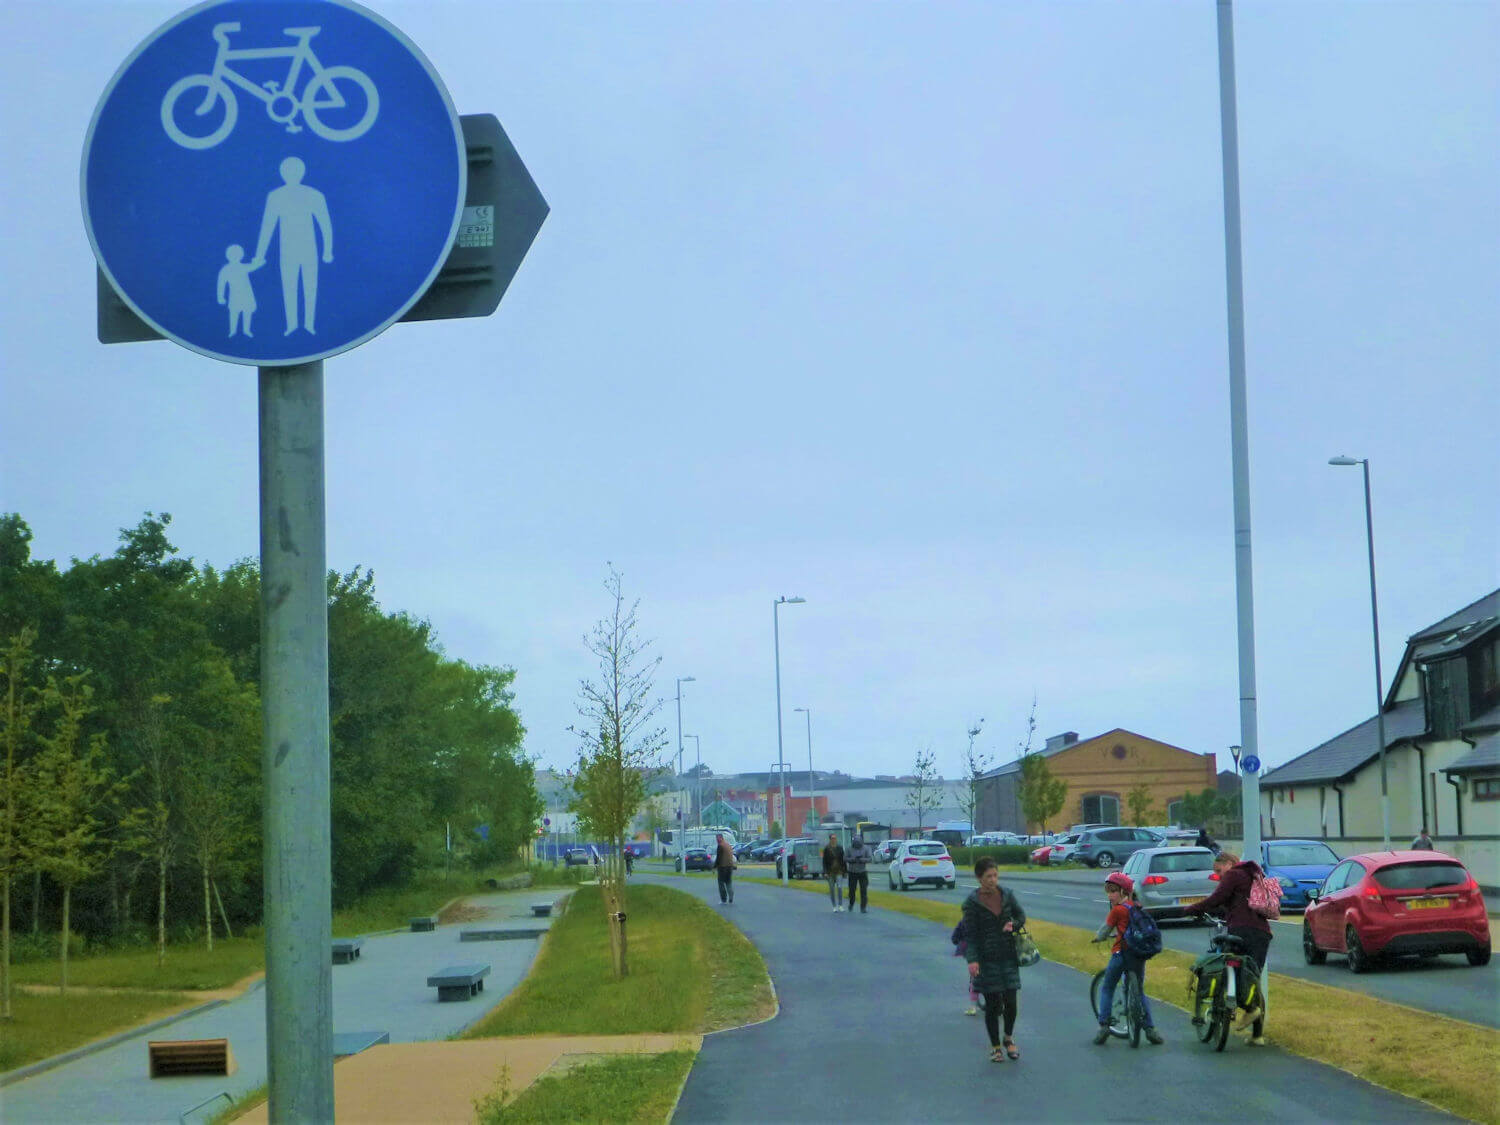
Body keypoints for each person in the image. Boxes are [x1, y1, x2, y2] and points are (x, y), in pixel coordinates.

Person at [1184, 850, 1271, 1045]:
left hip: (1241, 931)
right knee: (1252, 978)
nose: (1219, 875)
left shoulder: (1234, 875)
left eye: (1219, 870)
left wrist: (1191, 909)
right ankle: (1257, 1036)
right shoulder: (1251, 875)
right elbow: (1230, 904)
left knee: (1230, 970)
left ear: (1229, 863)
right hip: (1262, 933)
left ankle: (1245, 1007)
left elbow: (1216, 899)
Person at [963, 856, 1026, 1062]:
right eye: (988, 876)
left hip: (1008, 955)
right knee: (992, 1004)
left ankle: (1008, 1038)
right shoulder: (972, 904)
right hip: (986, 958)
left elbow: (1021, 916)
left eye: (995, 875)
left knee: (1010, 1000)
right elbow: (970, 935)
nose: (993, 880)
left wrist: (1013, 925)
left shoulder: (1007, 895)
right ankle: (996, 1046)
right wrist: (972, 960)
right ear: (979, 878)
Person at [1090, 872, 1164, 1045]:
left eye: (1113, 891)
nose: (1110, 895)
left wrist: (1098, 938)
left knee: (1108, 987)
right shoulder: (1137, 907)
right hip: (1137, 954)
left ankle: (1104, 1025)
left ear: (1123, 892)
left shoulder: (1117, 910)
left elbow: (1104, 931)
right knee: (1138, 989)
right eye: (1108, 892)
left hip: (1120, 953)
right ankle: (1150, 1029)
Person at [216, 244, 259, 336]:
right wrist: (220, 297)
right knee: (234, 312)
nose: (235, 257)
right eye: (233, 255)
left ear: (241, 255)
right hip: (235, 295)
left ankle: (246, 330)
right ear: (228, 256)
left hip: (246, 294)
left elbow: (254, 266)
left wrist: (259, 261)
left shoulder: (243, 267)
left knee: (247, 312)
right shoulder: (226, 270)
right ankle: (232, 331)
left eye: (237, 255)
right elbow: (221, 284)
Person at [845, 835, 873, 914]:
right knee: (852, 890)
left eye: (858, 844)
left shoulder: (866, 848)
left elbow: (870, 858)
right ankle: (851, 903)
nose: (857, 845)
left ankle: (863, 907)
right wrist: (852, 860)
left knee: (863, 890)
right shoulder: (849, 848)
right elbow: (845, 858)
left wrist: (862, 860)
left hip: (862, 872)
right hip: (852, 872)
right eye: (855, 844)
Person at [822, 833, 847, 912]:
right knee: (832, 889)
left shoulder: (840, 848)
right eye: (832, 838)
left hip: (839, 871)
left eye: (835, 838)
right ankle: (834, 906)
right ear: (830, 839)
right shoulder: (826, 849)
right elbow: (824, 861)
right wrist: (825, 872)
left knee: (839, 888)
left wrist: (845, 871)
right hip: (830, 872)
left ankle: (840, 905)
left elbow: (844, 860)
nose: (834, 839)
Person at [713, 833, 737, 905]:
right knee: (728, 882)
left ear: (721, 838)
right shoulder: (728, 845)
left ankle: (723, 900)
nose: (717, 840)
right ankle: (731, 895)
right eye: (716, 838)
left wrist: (714, 867)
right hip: (730, 866)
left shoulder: (720, 846)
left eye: (718, 838)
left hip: (722, 867)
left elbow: (718, 858)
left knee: (721, 883)